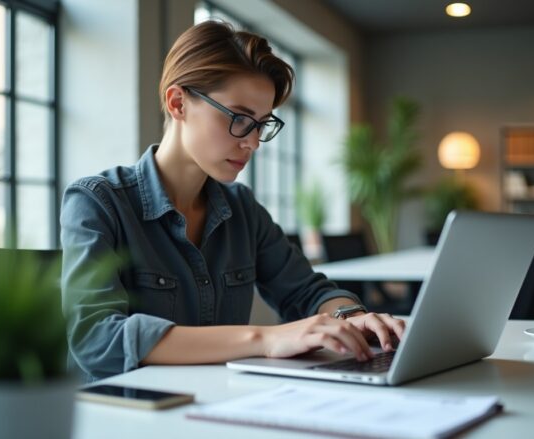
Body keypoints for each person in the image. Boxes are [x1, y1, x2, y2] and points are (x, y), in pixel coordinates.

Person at [61, 21, 405, 383]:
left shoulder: (241, 207)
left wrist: (350, 318)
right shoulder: (98, 202)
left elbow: (307, 290)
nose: (253, 143)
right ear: (178, 103)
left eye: (261, 124)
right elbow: (97, 340)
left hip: (222, 403)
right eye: (240, 119)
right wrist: (265, 338)